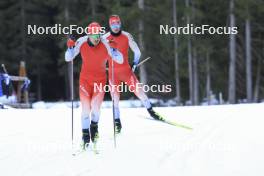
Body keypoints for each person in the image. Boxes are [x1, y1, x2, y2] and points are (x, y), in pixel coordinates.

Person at [65, 22, 123, 149]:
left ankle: (94, 128)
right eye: (94, 36)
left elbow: (120, 59)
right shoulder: (82, 41)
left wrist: (114, 49)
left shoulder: (105, 43)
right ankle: (85, 136)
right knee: (86, 109)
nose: (97, 39)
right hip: (85, 81)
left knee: (95, 109)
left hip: (100, 82)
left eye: (98, 36)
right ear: (89, 34)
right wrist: (70, 47)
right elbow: (68, 58)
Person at [102, 15, 163, 134]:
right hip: (113, 74)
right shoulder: (104, 38)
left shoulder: (126, 36)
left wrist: (134, 64)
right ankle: (117, 123)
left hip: (126, 71)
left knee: (140, 92)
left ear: (120, 24)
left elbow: (137, 52)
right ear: (110, 25)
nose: (115, 27)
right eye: (113, 24)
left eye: (117, 24)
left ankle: (151, 111)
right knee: (115, 98)